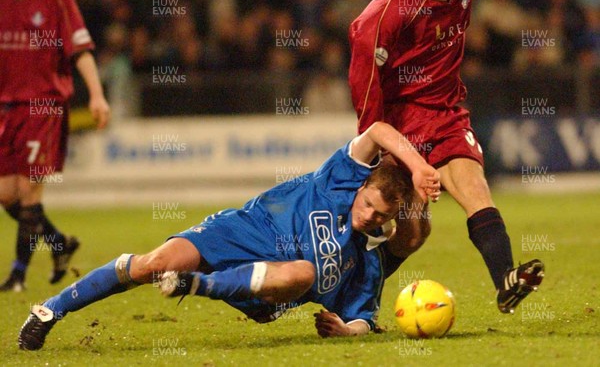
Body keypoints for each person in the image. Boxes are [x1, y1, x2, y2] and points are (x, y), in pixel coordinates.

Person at [18, 121, 441, 350]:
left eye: (379, 215)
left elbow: (362, 321)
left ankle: (195, 286)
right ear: (361, 186)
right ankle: (50, 311)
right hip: (238, 230)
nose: (367, 215)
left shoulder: (365, 261)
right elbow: (379, 131)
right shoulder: (337, 180)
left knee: (303, 273)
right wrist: (418, 165)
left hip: (272, 287)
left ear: (391, 220)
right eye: (366, 203)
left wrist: (347, 333)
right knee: (153, 265)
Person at [348, 0, 544, 314]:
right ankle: (349, 288)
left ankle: (506, 282)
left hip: (447, 115)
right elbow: (366, 90)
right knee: (412, 233)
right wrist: (374, 149)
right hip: (401, 124)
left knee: (476, 190)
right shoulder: (382, 17)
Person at [0, 0, 110, 291]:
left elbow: (81, 51)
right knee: (7, 196)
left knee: (30, 194)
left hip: (42, 107)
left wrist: (96, 94)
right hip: (6, 109)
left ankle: (17, 275)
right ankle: (59, 243)